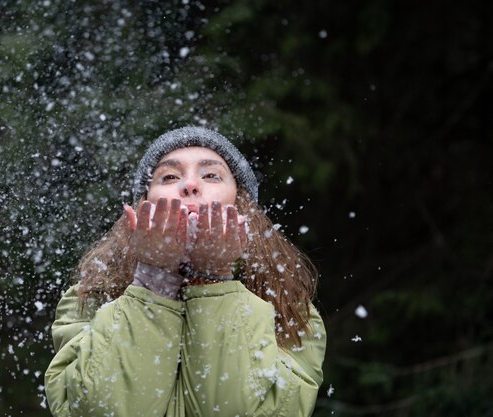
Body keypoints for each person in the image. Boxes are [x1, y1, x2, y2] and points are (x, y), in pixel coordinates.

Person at [44, 126, 326, 417]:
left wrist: (214, 276)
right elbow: (100, 410)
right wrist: (155, 278)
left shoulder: (290, 307)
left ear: (242, 206)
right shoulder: (90, 297)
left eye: (211, 175)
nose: (190, 185)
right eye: (169, 177)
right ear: (143, 207)